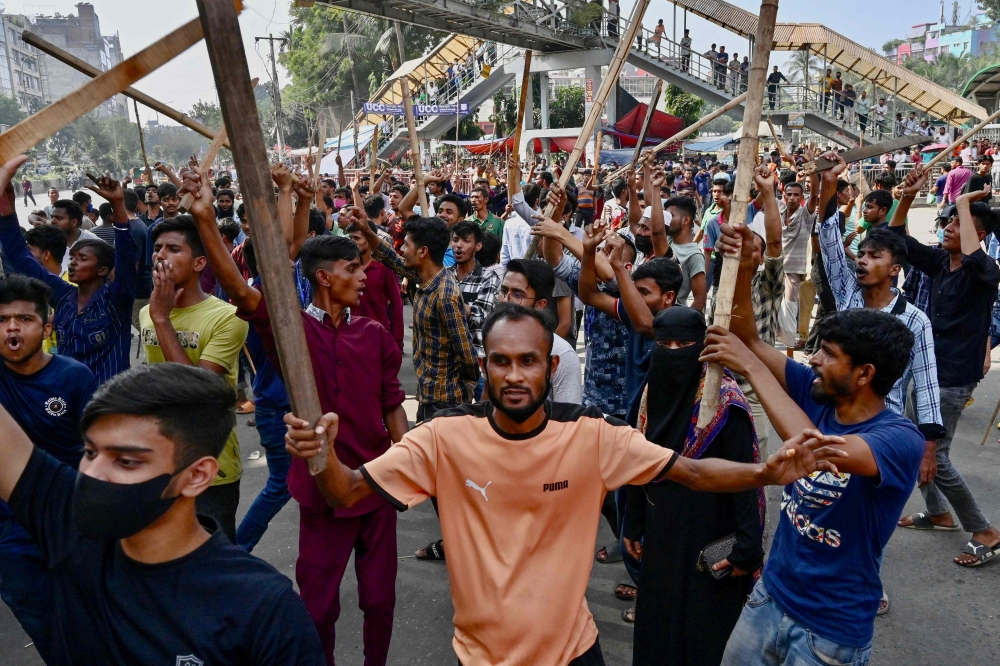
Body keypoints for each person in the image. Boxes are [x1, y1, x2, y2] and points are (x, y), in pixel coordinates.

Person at [284, 301, 847, 666]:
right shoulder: (443, 438)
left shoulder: (591, 436)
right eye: (500, 362)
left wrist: (764, 474)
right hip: (479, 658)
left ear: (549, 369)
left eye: (527, 361)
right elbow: (348, 492)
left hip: (574, 655)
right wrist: (321, 458)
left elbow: (692, 471)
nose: (513, 375)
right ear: (484, 366)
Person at [184, 170, 407, 664]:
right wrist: (204, 220)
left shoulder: (374, 334)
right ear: (324, 276)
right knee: (319, 608)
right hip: (323, 494)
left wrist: (409, 463)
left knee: (380, 601)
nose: (364, 276)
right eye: (353, 268)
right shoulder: (290, 332)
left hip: (375, 486)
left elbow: (392, 403)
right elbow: (241, 293)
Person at [0, 362, 325, 664]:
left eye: (126, 461)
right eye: (89, 451)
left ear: (197, 475)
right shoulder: (66, 522)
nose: (92, 473)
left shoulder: (264, 611)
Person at [627, 306, 764, 665]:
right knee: (657, 628)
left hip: (708, 534)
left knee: (699, 635)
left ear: (701, 348)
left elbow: (746, 478)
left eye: (684, 344)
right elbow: (638, 460)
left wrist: (748, 548)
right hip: (661, 534)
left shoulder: (725, 404)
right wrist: (635, 521)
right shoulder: (649, 393)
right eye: (665, 344)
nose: (673, 353)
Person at [887, 170, 1000, 567]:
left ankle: (985, 530)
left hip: (954, 376)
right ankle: (938, 513)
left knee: (939, 454)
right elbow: (898, 240)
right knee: (921, 444)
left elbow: (974, 258)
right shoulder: (939, 263)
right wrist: (909, 195)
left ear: (978, 233)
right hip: (928, 368)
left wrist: (966, 203)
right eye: (950, 219)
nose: (950, 225)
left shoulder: (984, 272)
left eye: (959, 222)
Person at [0, 275, 98, 660]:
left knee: (91, 617)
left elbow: (97, 450)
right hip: (10, 531)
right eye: (3, 319)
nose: (11, 327)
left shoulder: (74, 377)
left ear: (46, 326)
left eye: (23, 319)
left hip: (70, 518)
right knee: (42, 623)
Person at [140, 215, 248, 542]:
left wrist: (162, 318)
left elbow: (198, 388)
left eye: (174, 249)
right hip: (160, 459)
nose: (161, 256)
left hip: (209, 461)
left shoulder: (227, 317)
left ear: (199, 262)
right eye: (157, 248)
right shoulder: (149, 312)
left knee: (212, 563)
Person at [0, 167, 137, 384]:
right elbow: (19, 256)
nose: (72, 263)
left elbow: (127, 255)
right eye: (72, 257)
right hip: (66, 402)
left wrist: (118, 205)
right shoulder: (63, 295)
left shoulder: (116, 299)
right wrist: (6, 209)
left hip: (109, 404)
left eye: (82, 259)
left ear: (102, 270)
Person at [500, 258, 582, 403]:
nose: (506, 300)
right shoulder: (496, 343)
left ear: (540, 304)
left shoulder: (561, 354)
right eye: (504, 291)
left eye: (518, 295)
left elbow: (570, 418)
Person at [345, 223, 405, 352]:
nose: (352, 242)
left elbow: (396, 304)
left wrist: (397, 342)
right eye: (350, 238)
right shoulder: (345, 268)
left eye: (356, 238)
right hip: (350, 336)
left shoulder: (383, 268)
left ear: (369, 239)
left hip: (377, 337)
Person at [449, 220, 501, 363]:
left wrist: (450, 300)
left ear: (478, 246)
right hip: (446, 363)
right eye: (455, 240)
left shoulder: (488, 277)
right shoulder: (445, 276)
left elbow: (481, 317)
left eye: (466, 241)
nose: (459, 245)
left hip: (475, 361)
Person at [663, 196, 707, 311]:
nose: (667, 220)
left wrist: (684, 321)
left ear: (686, 220)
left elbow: (700, 298)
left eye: (671, 216)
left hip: (673, 316)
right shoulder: (668, 241)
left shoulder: (694, 256)